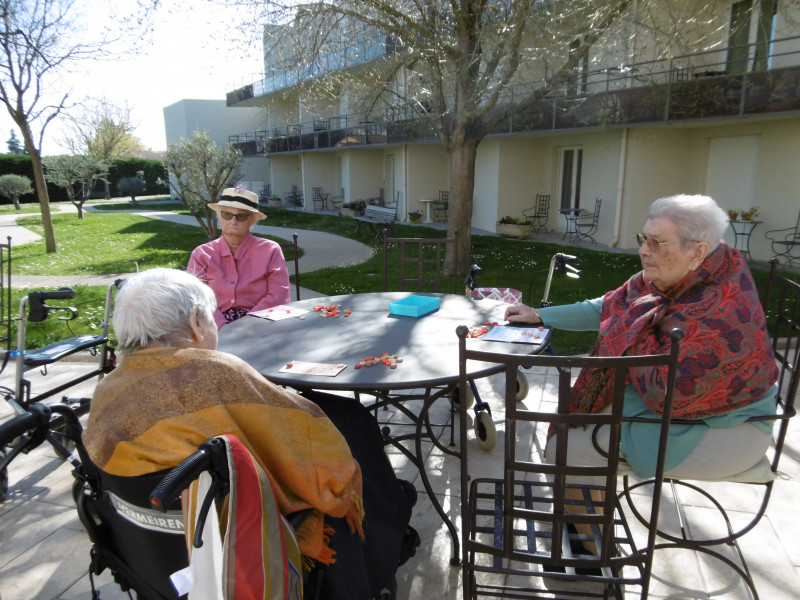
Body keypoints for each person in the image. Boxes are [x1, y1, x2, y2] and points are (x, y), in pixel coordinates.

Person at [84, 268, 416, 600]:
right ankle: (382, 549)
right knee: (353, 445)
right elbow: (305, 448)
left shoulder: (106, 392)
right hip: (240, 544)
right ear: (196, 323)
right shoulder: (216, 373)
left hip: (156, 554)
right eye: (211, 318)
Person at [505, 194, 778, 485]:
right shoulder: (677, 276)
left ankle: (585, 527)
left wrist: (630, 340)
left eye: (656, 243)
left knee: (566, 448)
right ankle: (590, 517)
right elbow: (611, 307)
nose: (643, 251)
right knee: (581, 424)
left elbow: (669, 393)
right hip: (680, 407)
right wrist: (541, 315)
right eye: (644, 239)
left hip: (725, 429)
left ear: (697, 252)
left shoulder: (721, 307)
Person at [188, 185, 291, 328]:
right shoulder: (201, 254)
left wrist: (246, 325)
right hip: (213, 328)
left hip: (260, 324)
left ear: (252, 220)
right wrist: (222, 326)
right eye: (227, 214)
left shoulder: (270, 250)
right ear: (219, 217)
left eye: (241, 216)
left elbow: (278, 295)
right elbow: (196, 298)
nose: (233, 221)